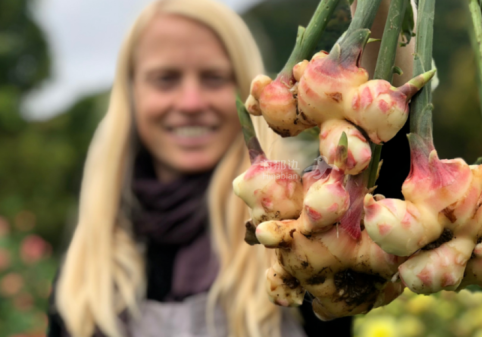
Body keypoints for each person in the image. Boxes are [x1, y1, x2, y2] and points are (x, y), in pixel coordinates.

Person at [46, 0, 414, 336]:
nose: (190, 102)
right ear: (131, 95)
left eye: (214, 78)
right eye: (165, 79)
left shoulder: (308, 218)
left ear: (249, 91)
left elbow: (388, 145)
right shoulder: (85, 268)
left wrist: (381, 11)